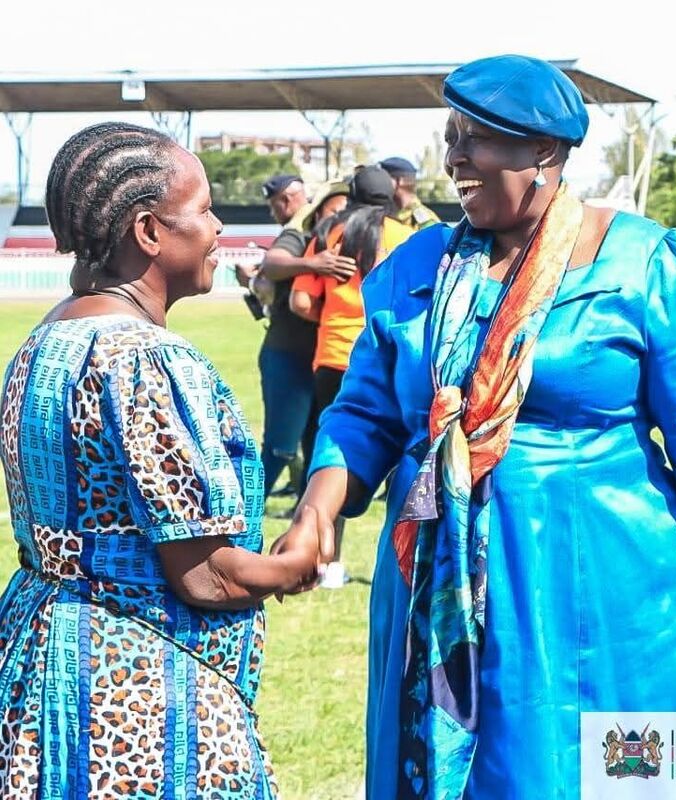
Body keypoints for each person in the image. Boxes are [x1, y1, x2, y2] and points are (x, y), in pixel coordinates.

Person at [276, 55, 676, 798]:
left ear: (543, 151)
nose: (455, 158)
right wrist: (318, 508)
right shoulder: (418, 268)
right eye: (451, 137)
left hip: (609, 585)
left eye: (476, 139)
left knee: (616, 772)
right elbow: (364, 413)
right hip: (441, 586)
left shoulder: (643, 263)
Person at [0, 122, 322, 798]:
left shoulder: (44, 341)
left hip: (40, 668)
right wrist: (294, 564)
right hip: (135, 698)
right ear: (148, 231)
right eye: (203, 209)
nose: (217, 228)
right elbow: (206, 577)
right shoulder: (147, 360)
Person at [289, 166, 412, 588]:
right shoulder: (405, 237)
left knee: (336, 460)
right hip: (385, 359)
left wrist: (331, 317)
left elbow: (300, 300)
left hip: (333, 356)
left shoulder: (328, 234)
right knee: (399, 466)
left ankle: (329, 563)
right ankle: (397, 563)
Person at [235, 175, 355, 508]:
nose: (340, 217)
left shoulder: (347, 241)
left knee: (317, 444)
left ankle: (304, 518)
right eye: (334, 210)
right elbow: (274, 263)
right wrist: (312, 263)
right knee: (280, 447)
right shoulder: (300, 236)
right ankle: (241, 515)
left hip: (322, 361)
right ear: (319, 211)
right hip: (288, 355)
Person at [378, 156, 440, 232]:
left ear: (400, 181)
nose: (380, 183)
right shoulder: (380, 211)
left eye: (384, 179)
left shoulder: (425, 221)